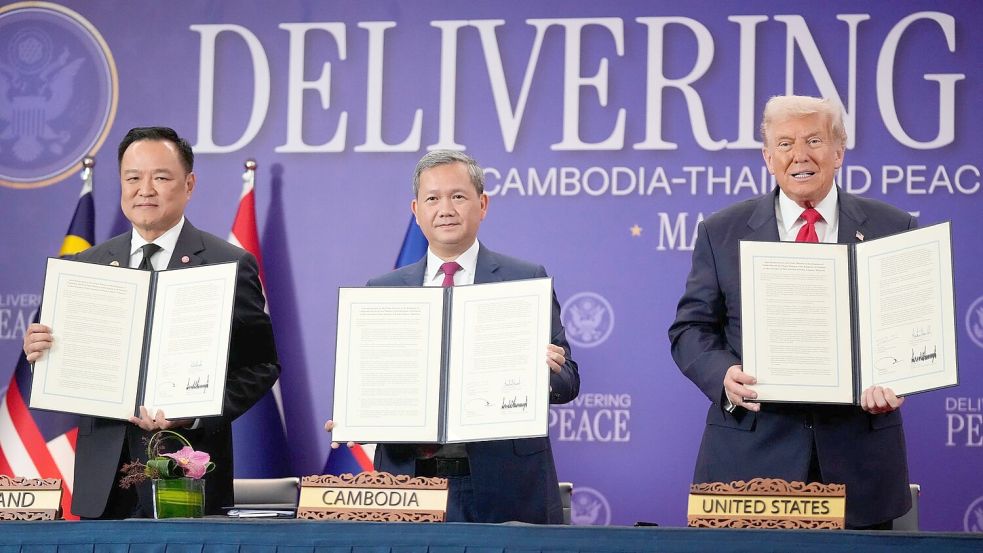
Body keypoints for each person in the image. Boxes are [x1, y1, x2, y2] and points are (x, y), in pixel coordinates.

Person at [668, 95, 914, 529]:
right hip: (749, 460)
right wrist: (723, 375)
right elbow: (691, 329)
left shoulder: (893, 228)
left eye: (814, 140)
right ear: (767, 157)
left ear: (838, 150)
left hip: (859, 462)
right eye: (784, 144)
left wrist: (902, 374)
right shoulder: (720, 232)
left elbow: (910, 327)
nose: (799, 155)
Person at [23, 127, 280, 519]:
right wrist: (40, 346)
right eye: (133, 178)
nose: (145, 189)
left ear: (189, 184)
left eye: (160, 177)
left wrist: (195, 412)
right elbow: (58, 352)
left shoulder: (227, 263)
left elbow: (261, 366)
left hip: (185, 473)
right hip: (103, 479)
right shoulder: (84, 267)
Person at [326, 150, 580, 523]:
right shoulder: (384, 290)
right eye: (432, 198)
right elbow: (373, 383)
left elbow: (568, 381)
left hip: (505, 485)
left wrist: (546, 371)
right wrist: (353, 415)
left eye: (458, 196)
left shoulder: (524, 280)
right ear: (416, 210)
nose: (445, 208)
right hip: (408, 484)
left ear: (483, 203)